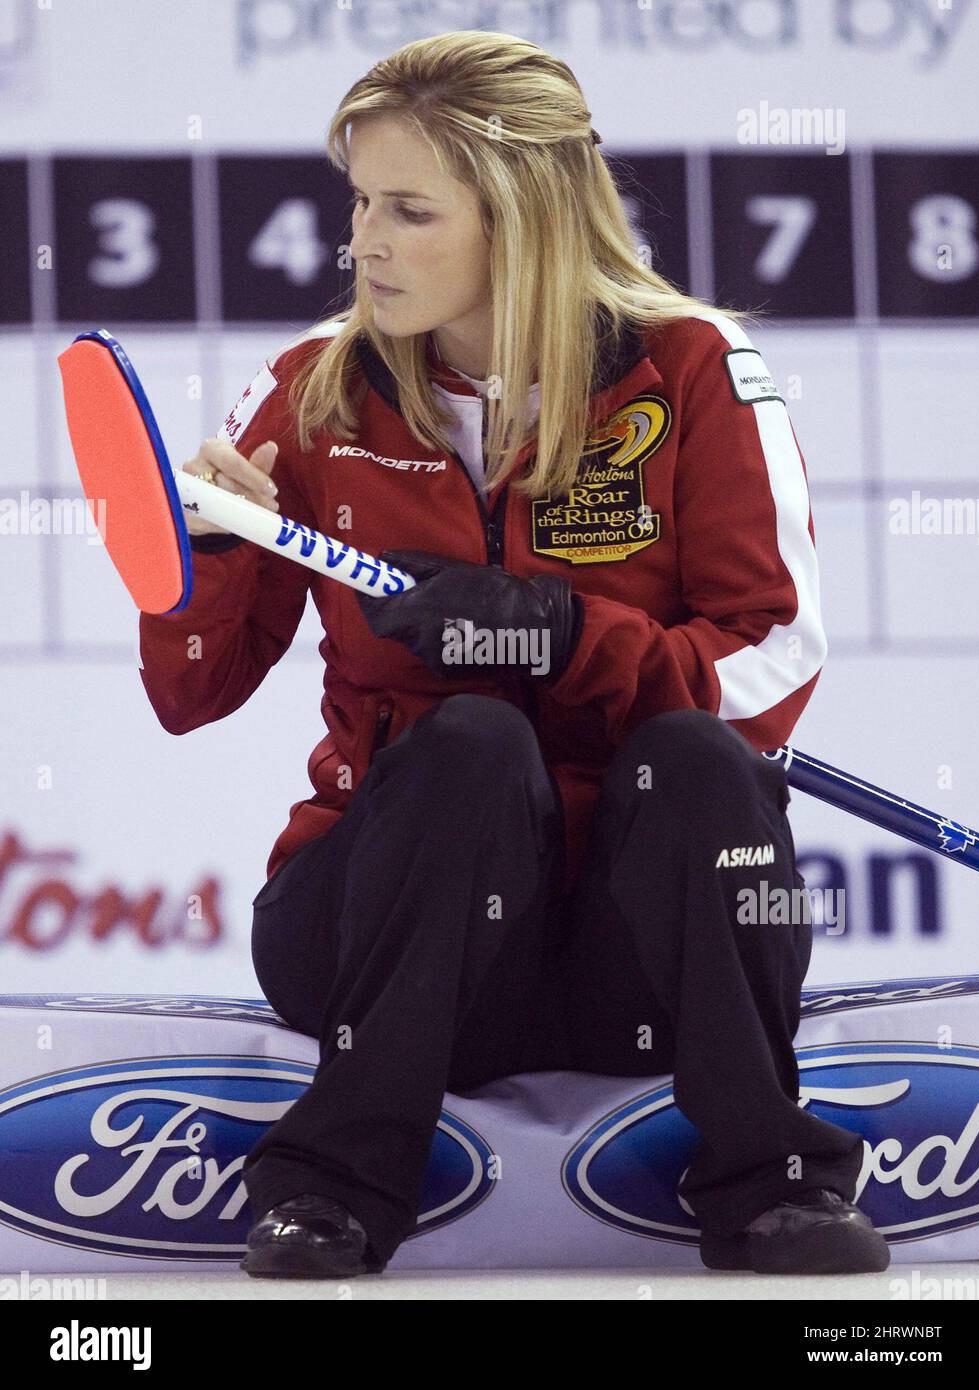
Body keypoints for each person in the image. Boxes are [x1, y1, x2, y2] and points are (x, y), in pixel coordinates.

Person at [138, 30, 889, 1279]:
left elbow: (773, 664)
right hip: (381, 931)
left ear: (522, 219)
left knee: (702, 759)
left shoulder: (692, 368)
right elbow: (187, 692)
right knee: (475, 743)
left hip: (623, 955)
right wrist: (205, 557)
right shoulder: (307, 392)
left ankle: (773, 1184)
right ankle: (328, 1188)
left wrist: (558, 632)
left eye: (406, 210)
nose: (360, 242)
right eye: (359, 202)